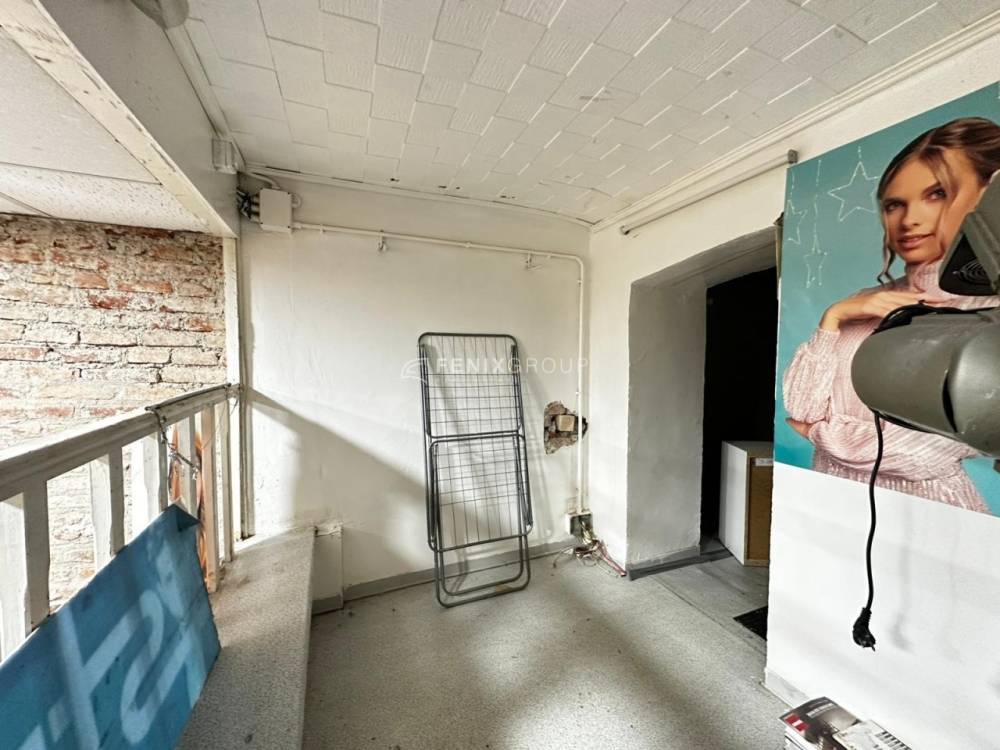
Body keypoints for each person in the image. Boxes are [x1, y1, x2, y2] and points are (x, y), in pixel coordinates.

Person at [783, 117, 1000, 513]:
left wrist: (820, 434)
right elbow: (801, 407)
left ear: (988, 195)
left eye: (936, 194)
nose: (909, 219)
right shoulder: (862, 303)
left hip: (933, 514)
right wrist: (833, 317)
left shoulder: (989, 318)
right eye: (894, 204)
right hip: (828, 498)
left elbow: (925, 454)